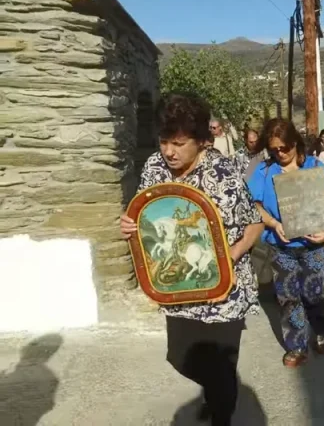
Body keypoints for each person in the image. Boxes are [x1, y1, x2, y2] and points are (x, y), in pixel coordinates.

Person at [120, 93, 264, 426]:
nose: (169, 151)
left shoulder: (223, 174)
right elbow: (146, 213)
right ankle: (216, 393)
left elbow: (255, 222)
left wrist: (230, 256)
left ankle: (221, 410)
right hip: (179, 285)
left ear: (201, 141)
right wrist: (131, 224)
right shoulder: (155, 166)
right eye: (164, 141)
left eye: (179, 143)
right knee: (180, 357)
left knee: (221, 368)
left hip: (224, 289)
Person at [247, 118, 324, 367]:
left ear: (295, 143)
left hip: (313, 246)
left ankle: (319, 329)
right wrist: (273, 223)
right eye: (274, 149)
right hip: (281, 247)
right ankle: (297, 345)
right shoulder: (264, 171)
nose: (280, 153)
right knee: (289, 297)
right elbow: (253, 204)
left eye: (284, 148)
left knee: (313, 293)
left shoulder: (314, 167)